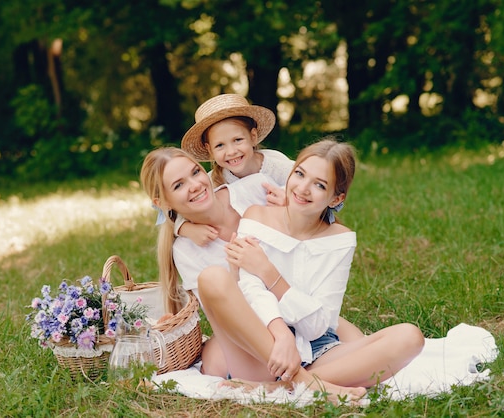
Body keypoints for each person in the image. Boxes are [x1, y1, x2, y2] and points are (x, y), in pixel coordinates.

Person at [140, 146, 368, 404]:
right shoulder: (185, 249)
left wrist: (289, 203)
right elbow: (228, 311)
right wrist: (184, 229)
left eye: (195, 172)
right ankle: (304, 381)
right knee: (215, 279)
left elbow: (314, 214)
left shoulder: (253, 189)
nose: (194, 185)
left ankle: (286, 384)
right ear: (163, 202)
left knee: (354, 336)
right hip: (253, 330)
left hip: (292, 305)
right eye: (179, 185)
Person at [198, 138, 425, 392]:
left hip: (317, 348)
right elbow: (250, 291)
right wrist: (282, 334)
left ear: (335, 197)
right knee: (212, 278)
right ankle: (307, 384)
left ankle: (281, 388)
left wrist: (270, 274)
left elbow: (319, 326)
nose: (303, 189)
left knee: (409, 337)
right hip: (263, 346)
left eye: (319, 184)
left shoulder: (340, 240)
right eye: (300, 174)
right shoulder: (256, 215)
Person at [176, 93, 294, 246]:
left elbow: (312, 185)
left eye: (237, 140)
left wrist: (291, 201)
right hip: (249, 244)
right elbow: (177, 210)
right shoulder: (211, 181)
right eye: (220, 145)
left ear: (253, 136)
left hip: (287, 236)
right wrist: (187, 228)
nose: (231, 152)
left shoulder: (277, 166)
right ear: (209, 149)